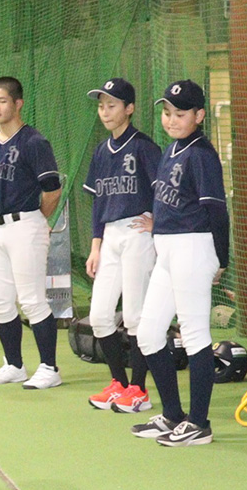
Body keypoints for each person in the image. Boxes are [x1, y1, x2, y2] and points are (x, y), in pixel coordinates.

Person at [132, 80, 229, 447]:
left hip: (194, 247)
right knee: (148, 332)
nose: (172, 119)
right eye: (167, 112)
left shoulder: (201, 154)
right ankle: (173, 414)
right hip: (169, 249)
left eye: (181, 113)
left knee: (193, 334)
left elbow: (216, 210)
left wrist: (222, 257)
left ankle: (199, 424)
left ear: (199, 115)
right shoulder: (172, 149)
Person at [82, 78, 161, 414]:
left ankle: (139, 390)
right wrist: (95, 246)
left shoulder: (144, 147)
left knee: (134, 316)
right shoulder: (102, 151)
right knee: (99, 316)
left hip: (137, 232)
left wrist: (159, 223)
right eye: (101, 105)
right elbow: (99, 203)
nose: (105, 111)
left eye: (112, 105)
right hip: (110, 237)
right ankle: (119, 383)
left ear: (129, 108)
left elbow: (166, 192)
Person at [0, 76, 63, 389]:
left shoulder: (34, 142)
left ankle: (50, 368)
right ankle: (14, 364)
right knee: (0, 300)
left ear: (17, 103)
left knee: (31, 299)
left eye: (2, 101)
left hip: (25, 223)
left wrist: (35, 221)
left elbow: (52, 190)